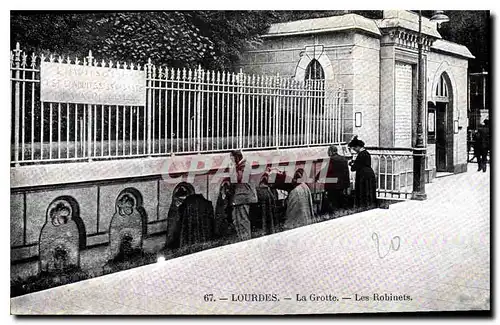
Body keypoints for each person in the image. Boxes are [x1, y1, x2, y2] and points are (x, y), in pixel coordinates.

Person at [228, 150, 258, 241]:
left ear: (236, 157)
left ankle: (245, 240)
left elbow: (236, 179)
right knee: (237, 220)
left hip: (243, 197)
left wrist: (232, 168)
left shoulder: (244, 166)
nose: (230, 159)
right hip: (241, 197)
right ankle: (242, 238)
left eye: (231, 157)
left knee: (243, 220)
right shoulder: (241, 166)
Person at [316, 144, 350, 213]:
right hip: (342, 185)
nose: (328, 154)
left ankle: (332, 213)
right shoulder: (344, 159)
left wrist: (316, 177)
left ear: (331, 151)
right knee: (339, 200)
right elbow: (346, 172)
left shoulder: (332, 160)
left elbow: (325, 170)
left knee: (332, 200)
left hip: (333, 185)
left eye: (328, 152)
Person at [348, 136, 377, 209]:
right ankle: (370, 205)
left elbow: (354, 168)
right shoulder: (366, 153)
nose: (354, 150)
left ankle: (362, 207)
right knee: (369, 192)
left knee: (362, 192)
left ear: (358, 147)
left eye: (354, 148)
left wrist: (351, 164)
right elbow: (362, 163)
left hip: (363, 176)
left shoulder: (360, 154)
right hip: (369, 174)